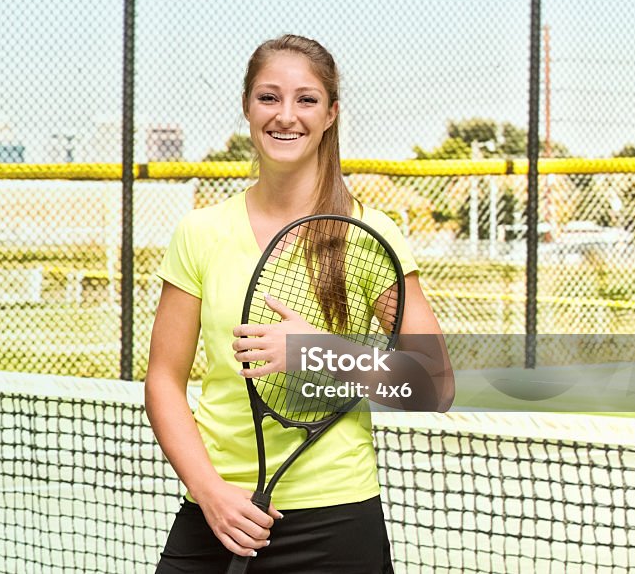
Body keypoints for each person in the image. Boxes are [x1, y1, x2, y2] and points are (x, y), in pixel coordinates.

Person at [145, 34, 454, 573]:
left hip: (336, 522)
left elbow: (433, 384)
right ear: (247, 106)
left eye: (306, 99)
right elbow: (163, 381)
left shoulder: (369, 235)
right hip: (217, 514)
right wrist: (210, 492)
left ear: (331, 113)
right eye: (269, 97)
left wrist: (314, 352)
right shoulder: (200, 233)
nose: (286, 115)